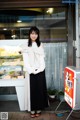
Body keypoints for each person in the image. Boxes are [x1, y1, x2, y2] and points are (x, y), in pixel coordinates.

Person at [21, 26, 48, 118]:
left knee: (39, 90)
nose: (34, 35)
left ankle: (39, 109)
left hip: (40, 70)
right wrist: (31, 70)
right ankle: (32, 110)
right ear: (29, 34)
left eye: (36, 33)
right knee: (32, 91)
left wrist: (40, 69)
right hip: (30, 71)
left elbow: (42, 58)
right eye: (32, 33)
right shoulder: (25, 45)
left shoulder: (40, 44)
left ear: (38, 35)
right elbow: (25, 60)